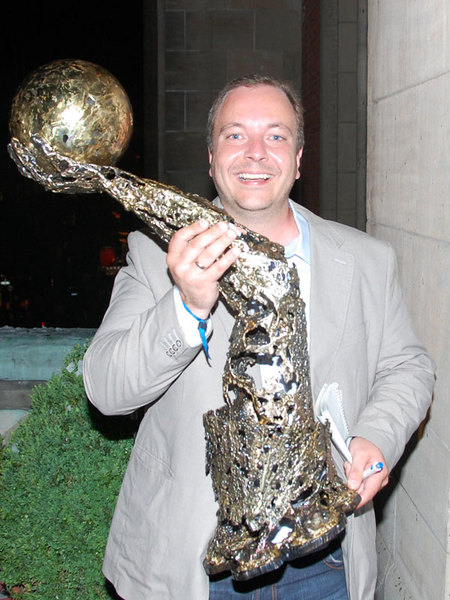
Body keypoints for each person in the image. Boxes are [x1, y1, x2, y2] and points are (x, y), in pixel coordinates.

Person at [83, 74, 434, 600]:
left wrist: (377, 437)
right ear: (211, 159)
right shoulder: (156, 255)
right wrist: (186, 305)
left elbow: (408, 366)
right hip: (196, 563)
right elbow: (106, 391)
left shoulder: (366, 259)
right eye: (235, 135)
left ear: (297, 159)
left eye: (275, 135)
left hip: (327, 559)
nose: (255, 153)